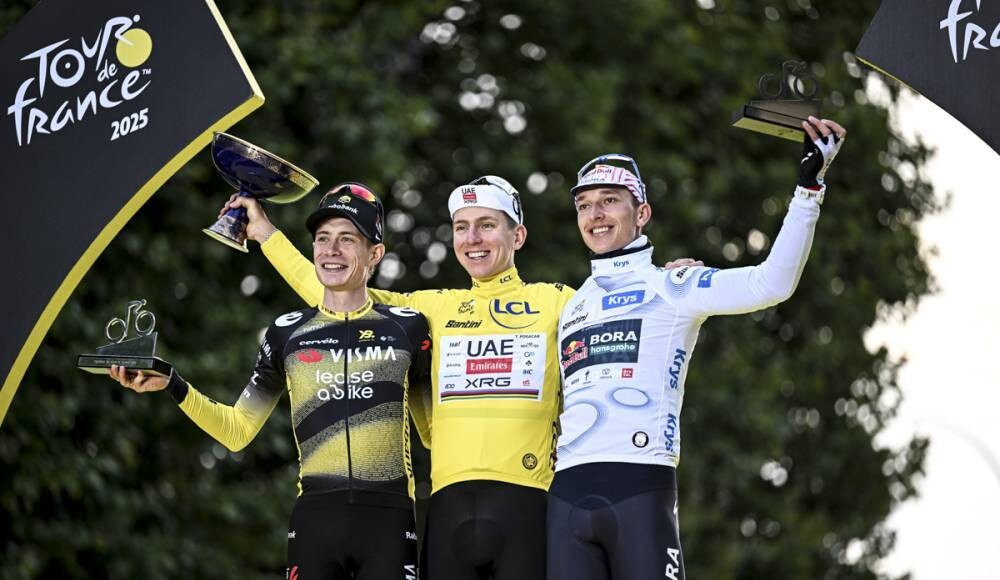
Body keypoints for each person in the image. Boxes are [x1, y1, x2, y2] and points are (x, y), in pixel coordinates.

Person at [547, 116, 846, 580]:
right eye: (585, 205)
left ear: (642, 213)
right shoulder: (570, 305)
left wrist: (808, 189)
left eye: (610, 200)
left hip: (639, 483)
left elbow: (772, 283)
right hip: (566, 494)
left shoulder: (673, 284)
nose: (596, 214)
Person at [229, 175, 571, 580]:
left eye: (487, 225)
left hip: (529, 500)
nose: (473, 238)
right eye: (462, 227)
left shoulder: (559, 300)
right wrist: (265, 234)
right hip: (448, 509)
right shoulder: (431, 310)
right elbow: (336, 288)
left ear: (518, 236)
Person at [111, 183, 432, 580]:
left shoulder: (408, 328)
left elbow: (435, 433)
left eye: (347, 239)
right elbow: (237, 431)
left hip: (389, 519)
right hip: (315, 521)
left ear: (375, 254)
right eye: (323, 239)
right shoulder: (287, 333)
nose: (331, 250)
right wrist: (174, 384)